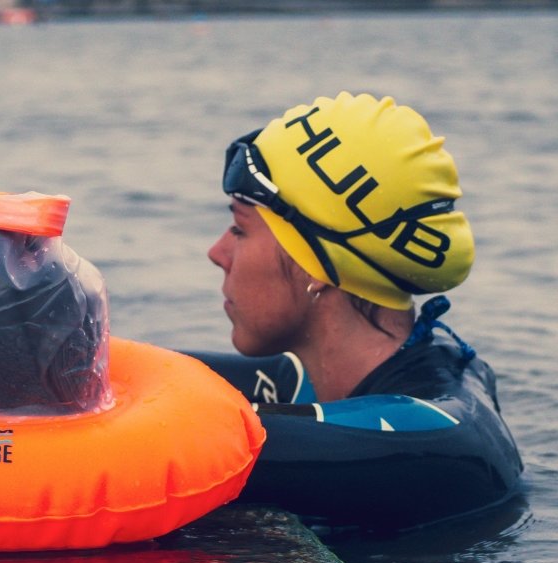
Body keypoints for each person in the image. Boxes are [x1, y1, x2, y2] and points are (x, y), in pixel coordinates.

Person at [192, 92, 523, 533]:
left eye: (239, 229)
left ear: (317, 264)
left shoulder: (438, 440)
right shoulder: (421, 363)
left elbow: (192, 437)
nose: (217, 252)